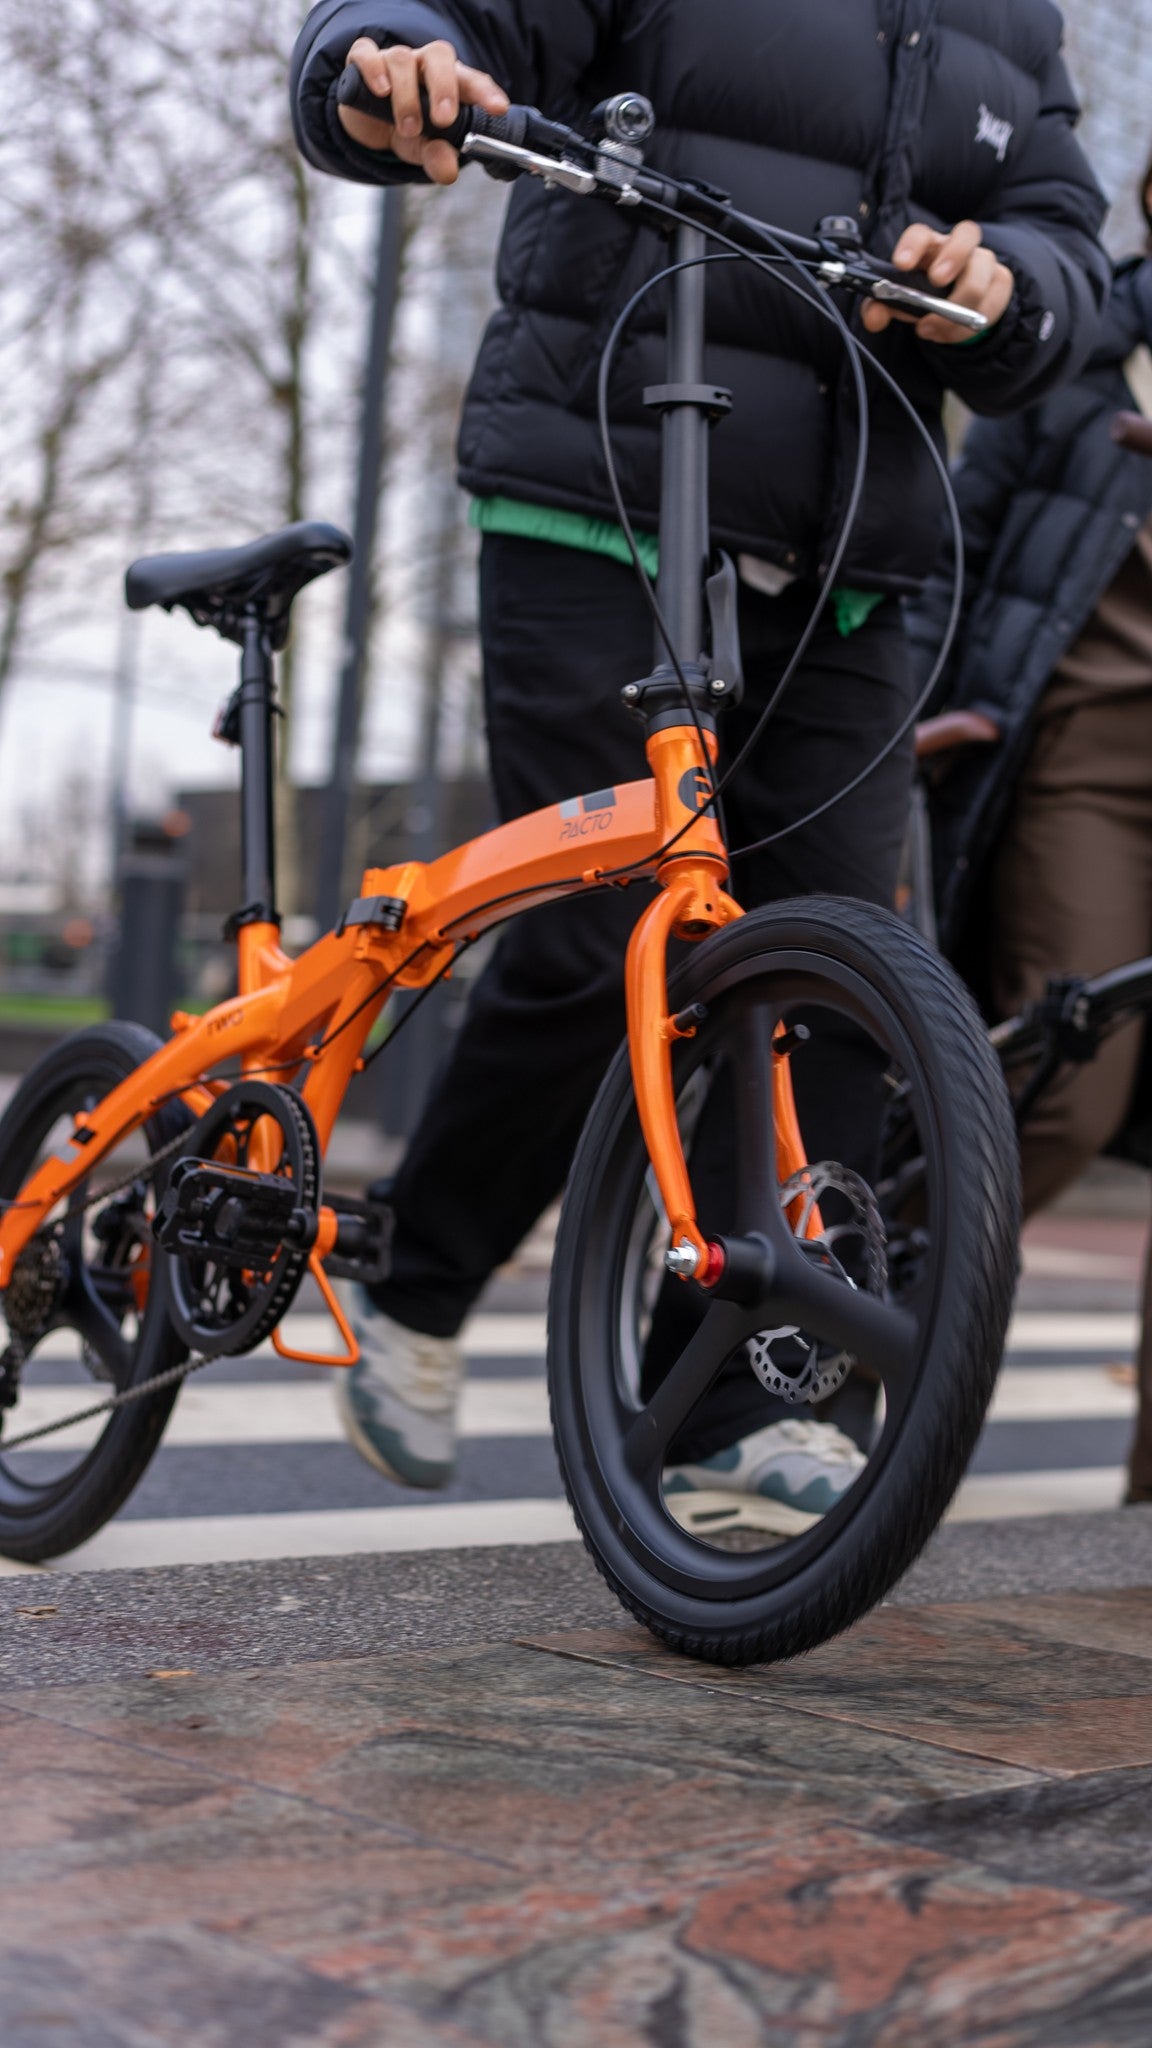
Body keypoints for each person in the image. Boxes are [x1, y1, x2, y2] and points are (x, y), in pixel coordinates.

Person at [291, 0, 1107, 1519]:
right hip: (604, 471)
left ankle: (739, 1401)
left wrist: (1006, 282)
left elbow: (1057, 222)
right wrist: (390, 62)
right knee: (611, 934)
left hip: (860, 535)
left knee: (847, 979)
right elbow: (441, 23)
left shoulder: (1017, 14)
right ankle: (418, 1279)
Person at [909, 150, 1152, 1506]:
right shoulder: (1070, 356)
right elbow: (953, 544)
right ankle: (845, 1324)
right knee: (1067, 1081)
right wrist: (920, 724)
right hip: (1087, 762)